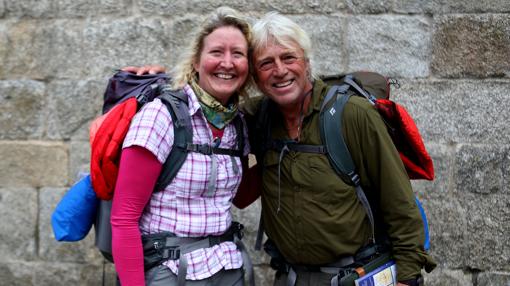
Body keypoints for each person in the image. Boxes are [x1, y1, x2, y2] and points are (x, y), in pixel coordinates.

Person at [125, 11, 437, 286]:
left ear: (307, 62)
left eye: (289, 58)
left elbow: (400, 203)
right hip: (289, 277)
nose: (279, 70)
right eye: (265, 63)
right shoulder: (256, 118)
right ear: (256, 76)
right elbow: (208, 100)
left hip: (356, 275)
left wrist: (408, 277)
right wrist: (150, 88)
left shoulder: (351, 116)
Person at [111, 7, 254, 286]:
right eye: (216, 52)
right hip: (171, 272)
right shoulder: (161, 116)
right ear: (197, 61)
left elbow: (240, 197)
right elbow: (124, 219)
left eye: (237, 53)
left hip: (229, 267)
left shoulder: (238, 123)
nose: (227, 62)